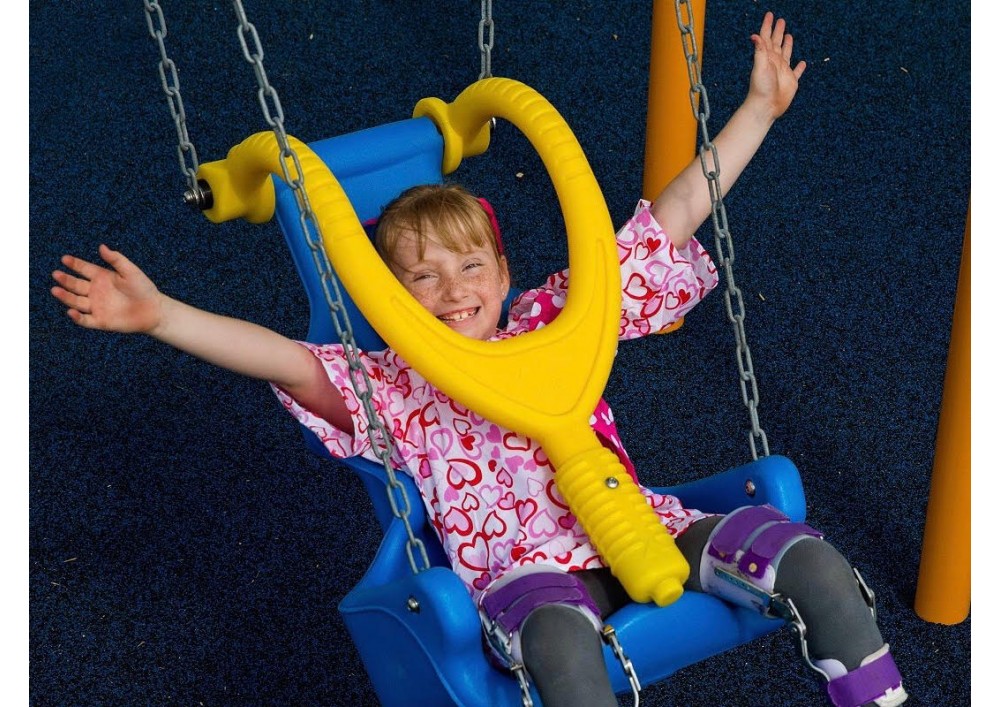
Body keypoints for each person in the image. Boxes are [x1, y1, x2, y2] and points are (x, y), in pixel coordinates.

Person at [50, 13, 906, 707]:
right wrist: (161, 315)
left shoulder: (553, 322)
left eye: (470, 266)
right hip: (528, 581)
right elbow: (281, 358)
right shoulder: (391, 383)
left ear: (504, 272)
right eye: (419, 277)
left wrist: (756, 109)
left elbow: (669, 220)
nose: (452, 288)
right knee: (568, 662)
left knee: (819, 565)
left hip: (651, 525)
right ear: (391, 302)